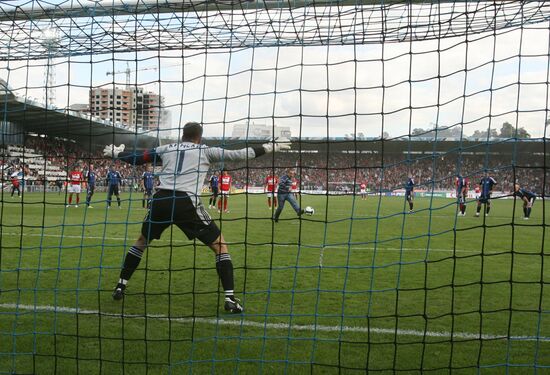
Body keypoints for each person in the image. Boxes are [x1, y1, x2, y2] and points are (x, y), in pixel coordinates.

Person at [103, 122, 290, 313]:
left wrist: (116, 154)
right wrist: (269, 146)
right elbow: (240, 155)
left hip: (161, 200)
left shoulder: (166, 148)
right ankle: (230, 299)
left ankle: (120, 286)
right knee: (220, 246)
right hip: (185, 202)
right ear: (199, 137)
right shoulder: (206, 151)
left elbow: (138, 158)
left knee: (141, 242)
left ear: (182, 135)